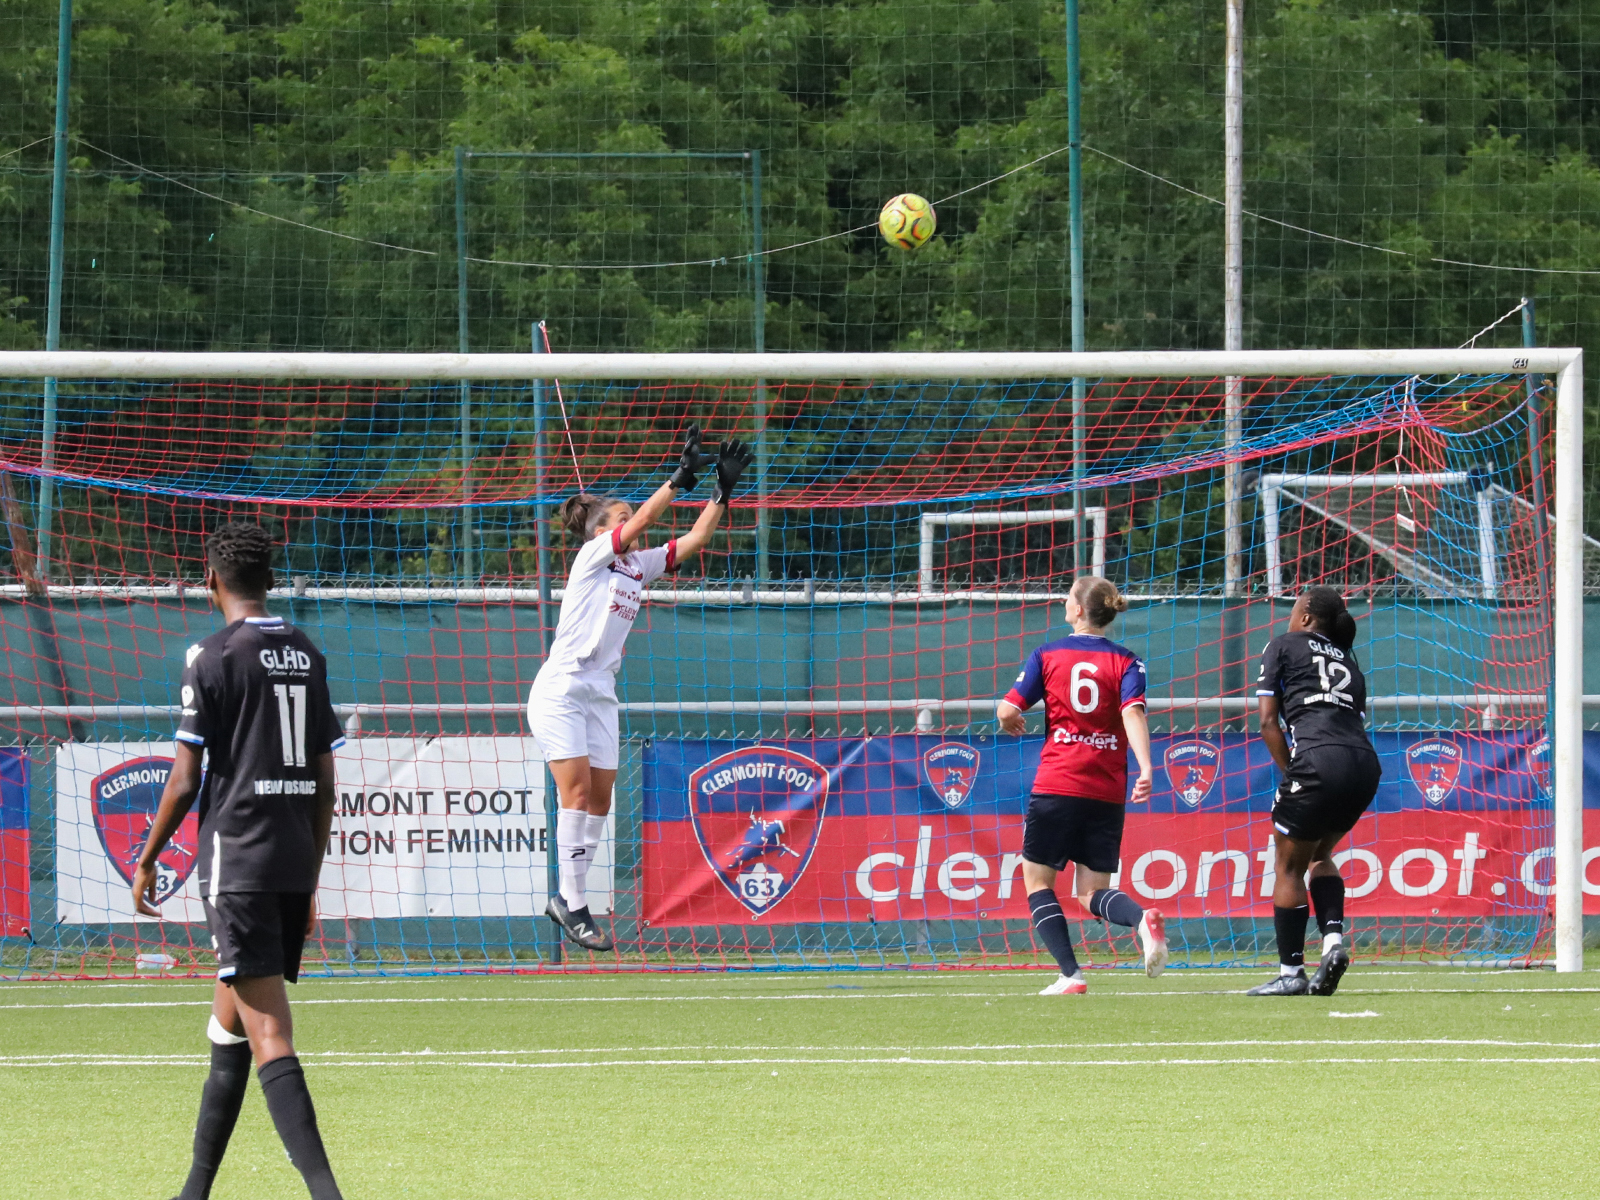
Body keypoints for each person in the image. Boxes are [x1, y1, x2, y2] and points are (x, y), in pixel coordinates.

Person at [132, 521, 347, 1200]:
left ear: (211, 581)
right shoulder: (306, 653)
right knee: (227, 1024)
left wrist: (146, 858)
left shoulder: (213, 656)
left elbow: (184, 779)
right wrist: (309, 877)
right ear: (271, 581)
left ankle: (328, 1193)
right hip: (287, 859)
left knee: (269, 1035)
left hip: (239, 865)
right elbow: (324, 782)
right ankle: (193, 1191)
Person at [530, 424, 751, 951]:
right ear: (602, 532)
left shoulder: (636, 566)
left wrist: (721, 489)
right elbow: (651, 516)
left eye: (631, 517)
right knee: (577, 793)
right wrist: (680, 476)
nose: (633, 524)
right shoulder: (591, 559)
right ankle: (571, 900)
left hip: (601, 689)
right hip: (561, 687)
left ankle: (572, 897)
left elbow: (694, 540)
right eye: (622, 519)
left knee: (602, 801)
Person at [997, 576, 1168, 995]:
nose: (1065, 602)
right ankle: (1140, 918)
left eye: (1068, 597)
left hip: (1058, 782)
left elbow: (1007, 709)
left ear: (1077, 609)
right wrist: (1146, 767)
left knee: (1038, 881)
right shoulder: (1128, 661)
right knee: (1093, 892)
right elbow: (1133, 714)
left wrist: (1008, 719)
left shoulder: (1049, 654)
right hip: (1106, 790)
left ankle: (1070, 974)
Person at [1247, 585, 1381, 997]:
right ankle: (1334, 944)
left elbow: (1269, 723)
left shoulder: (1284, 644)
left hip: (1317, 762)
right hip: (1364, 765)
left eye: (1293, 608)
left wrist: (1294, 773)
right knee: (1320, 855)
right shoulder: (1352, 666)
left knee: (1288, 865)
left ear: (1306, 616)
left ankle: (1291, 974)